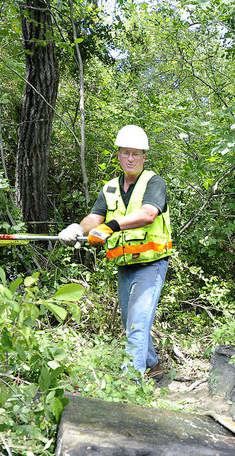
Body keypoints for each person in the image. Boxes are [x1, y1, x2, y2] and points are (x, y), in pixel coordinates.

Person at [58, 124, 172, 379]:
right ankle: (154, 367)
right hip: (124, 265)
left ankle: (129, 384)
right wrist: (78, 228)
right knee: (131, 323)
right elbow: (94, 218)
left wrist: (110, 227)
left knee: (137, 324)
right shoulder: (110, 187)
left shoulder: (154, 182)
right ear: (118, 154)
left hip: (151, 265)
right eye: (125, 153)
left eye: (136, 154)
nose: (130, 159)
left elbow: (147, 214)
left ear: (144, 156)